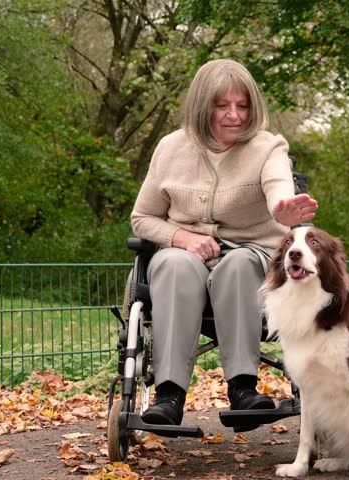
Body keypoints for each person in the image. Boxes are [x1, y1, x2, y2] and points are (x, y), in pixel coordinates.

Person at [130, 59, 318, 428]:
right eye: (222, 106)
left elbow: (277, 186)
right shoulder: (170, 149)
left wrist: (283, 209)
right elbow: (142, 218)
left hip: (254, 255)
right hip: (186, 256)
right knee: (171, 264)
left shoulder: (268, 147)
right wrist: (181, 237)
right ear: (203, 106)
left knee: (238, 264)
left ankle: (243, 389)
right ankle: (169, 396)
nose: (234, 115)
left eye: (242, 105)